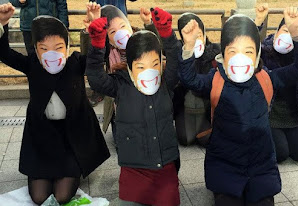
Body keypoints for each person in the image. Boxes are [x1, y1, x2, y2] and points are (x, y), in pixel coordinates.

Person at [177, 7, 298, 206]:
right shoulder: (216, 79)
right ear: (223, 54)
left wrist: (295, 34)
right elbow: (189, 79)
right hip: (225, 165)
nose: (241, 58)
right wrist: (188, 47)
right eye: (233, 51)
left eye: (248, 51)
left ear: (257, 54)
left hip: (260, 166)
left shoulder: (267, 78)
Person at [0, 3, 110, 205]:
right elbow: (4, 53)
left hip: (72, 138)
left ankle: (72, 168)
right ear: (36, 50)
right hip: (43, 139)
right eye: (44, 49)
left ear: (67, 47)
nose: (51, 54)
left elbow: (99, 56)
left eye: (58, 48)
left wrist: (96, 27)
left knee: (61, 196)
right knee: (39, 197)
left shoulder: (75, 62)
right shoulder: (32, 64)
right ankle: (45, 171)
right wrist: (2, 24)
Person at [86, 6, 181, 206]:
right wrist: (96, 44)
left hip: (165, 164)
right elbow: (95, 78)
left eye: (154, 64)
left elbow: (176, 61)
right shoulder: (120, 84)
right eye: (140, 67)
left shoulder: (166, 82)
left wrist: (167, 35)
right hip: (133, 168)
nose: (149, 71)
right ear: (129, 67)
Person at [83, 2, 159, 136]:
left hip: (147, 102)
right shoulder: (107, 50)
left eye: (123, 26)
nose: (120, 33)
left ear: (129, 25)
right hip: (121, 104)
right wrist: (93, 33)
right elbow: (90, 60)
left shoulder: (141, 39)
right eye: (112, 32)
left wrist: (149, 24)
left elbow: (158, 49)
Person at [255, 4, 298, 163]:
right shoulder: (264, 49)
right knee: (281, 153)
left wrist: (296, 34)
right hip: (270, 113)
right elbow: (248, 45)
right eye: (285, 30)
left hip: (292, 115)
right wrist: (258, 21)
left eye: (291, 33)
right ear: (277, 31)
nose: (287, 36)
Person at [173, 12, 220, 146]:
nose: (196, 39)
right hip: (186, 105)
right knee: (185, 139)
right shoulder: (180, 53)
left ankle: (203, 127)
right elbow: (166, 45)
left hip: (207, 105)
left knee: (206, 140)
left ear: (204, 34)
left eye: (198, 35)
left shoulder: (215, 52)